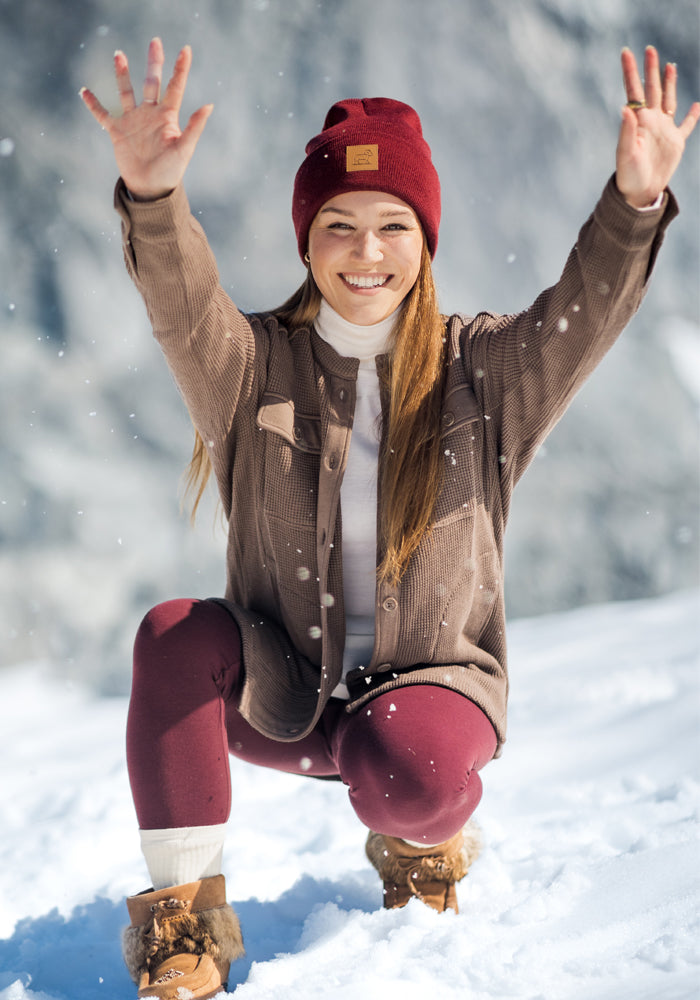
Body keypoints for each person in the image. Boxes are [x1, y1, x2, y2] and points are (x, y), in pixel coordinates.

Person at [81, 38, 698, 999]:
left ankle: (420, 849)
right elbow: (180, 303)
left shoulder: (484, 374)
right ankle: (183, 932)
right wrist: (153, 203)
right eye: (339, 224)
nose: (366, 253)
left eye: (391, 225)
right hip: (285, 689)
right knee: (172, 635)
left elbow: (585, 312)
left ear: (424, 239)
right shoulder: (253, 370)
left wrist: (634, 206)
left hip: (426, 696)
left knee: (405, 764)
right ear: (307, 239)